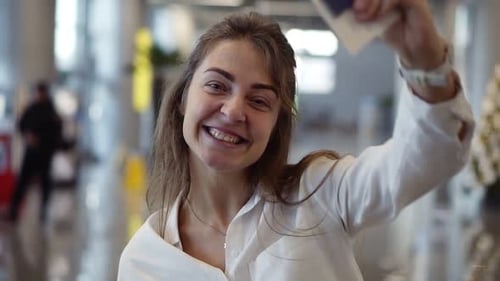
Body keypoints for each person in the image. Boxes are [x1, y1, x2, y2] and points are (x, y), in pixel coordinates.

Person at [118, 0, 474, 280]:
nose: (233, 110)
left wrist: (425, 61)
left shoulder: (322, 194)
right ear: (182, 98)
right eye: (216, 85)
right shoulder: (144, 258)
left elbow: (427, 156)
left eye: (259, 101)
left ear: (277, 123)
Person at [8, 81, 62, 223]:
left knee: (45, 183)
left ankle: (43, 211)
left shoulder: (51, 111)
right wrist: (28, 136)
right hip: (31, 152)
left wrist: (42, 140)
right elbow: (21, 124)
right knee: (23, 181)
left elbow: (56, 132)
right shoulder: (31, 109)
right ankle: (14, 209)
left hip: (45, 153)